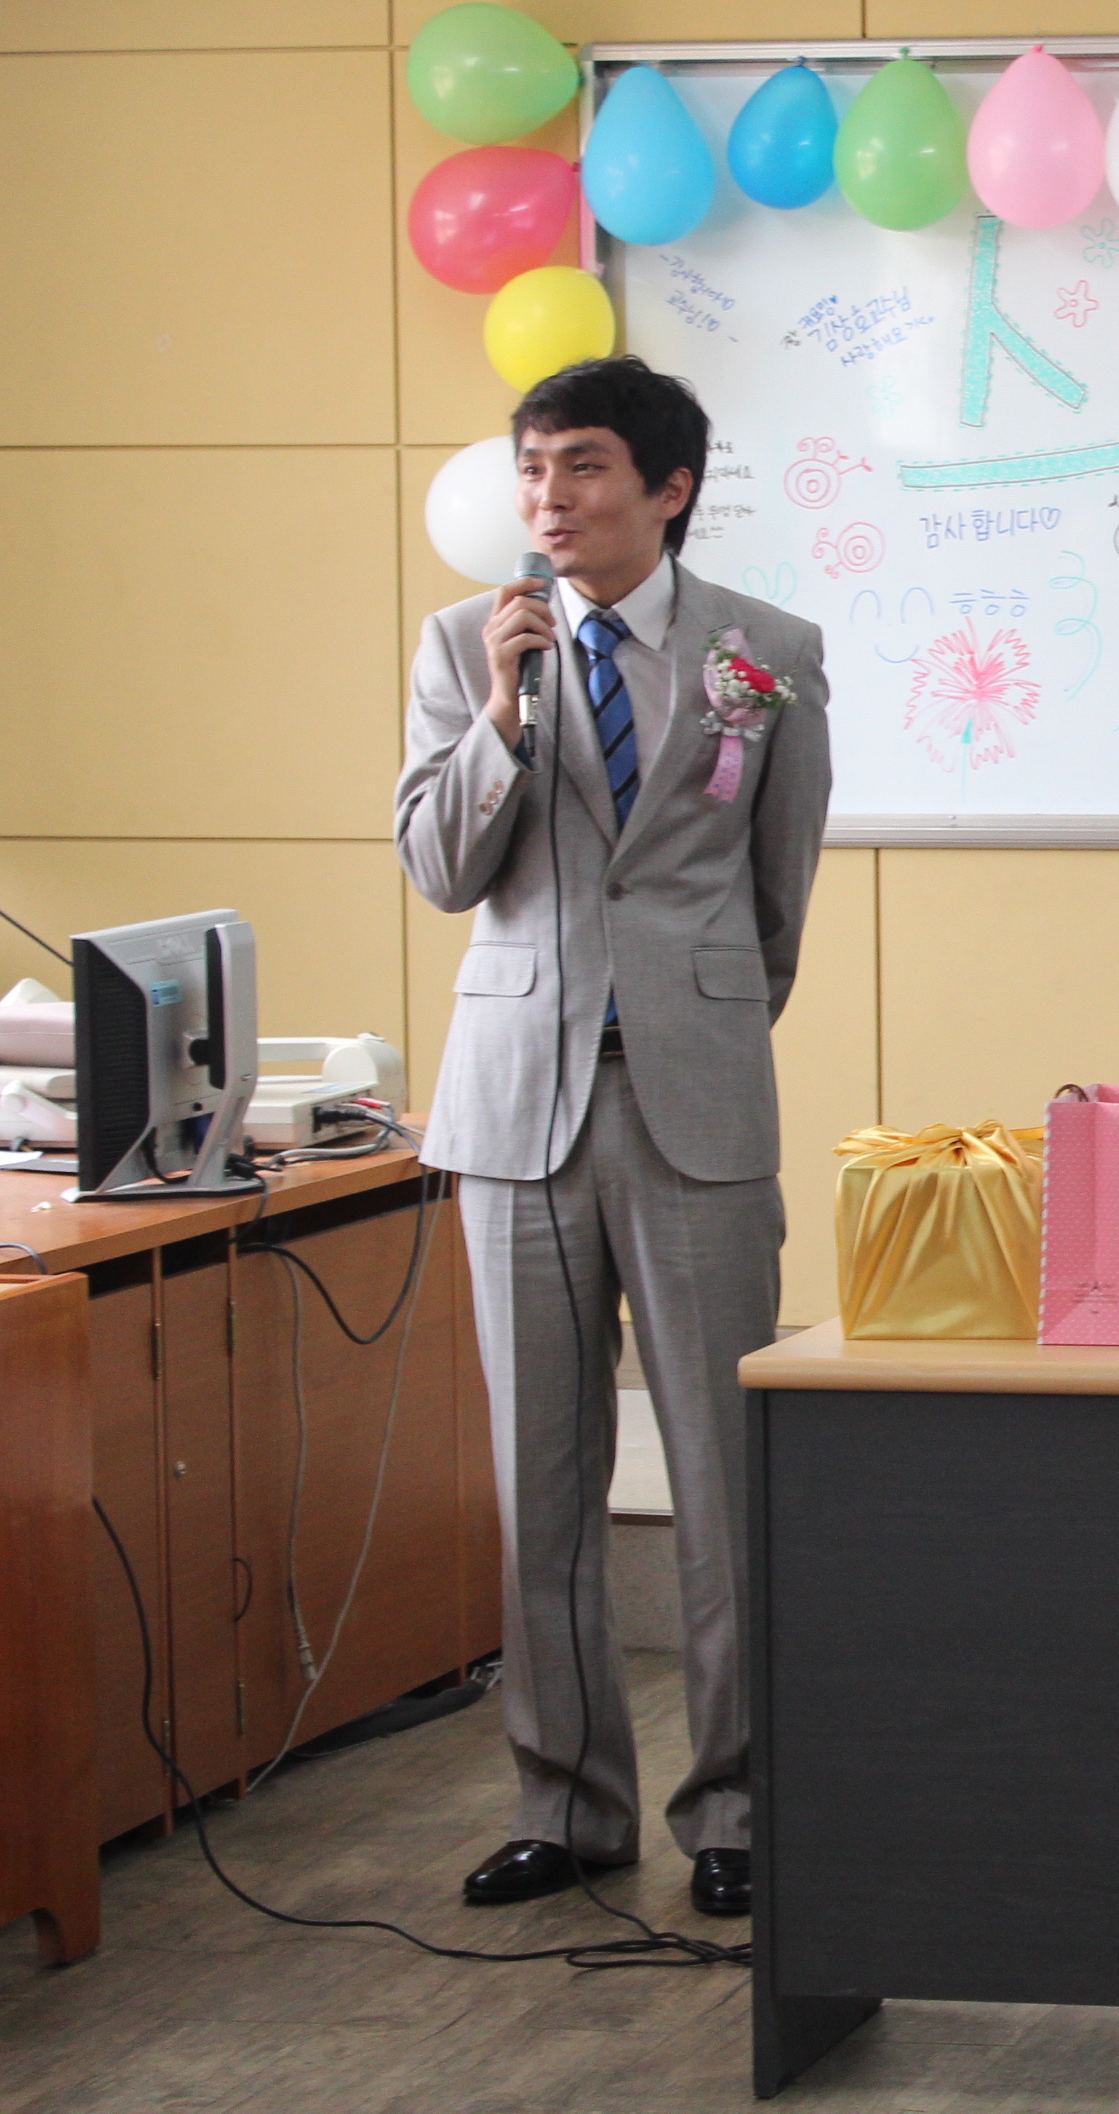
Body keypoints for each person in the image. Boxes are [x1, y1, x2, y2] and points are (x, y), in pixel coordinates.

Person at [395, 356, 830, 1921]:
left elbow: (777, 896)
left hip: (692, 1097)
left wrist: (696, 1017)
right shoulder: (466, 647)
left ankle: (737, 1810)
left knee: (723, 1473)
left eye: (581, 466)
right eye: (531, 469)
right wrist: (503, 715)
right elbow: (440, 869)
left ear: (669, 487)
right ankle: (567, 1806)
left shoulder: (766, 653)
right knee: (542, 1479)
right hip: (517, 1103)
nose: (548, 498)